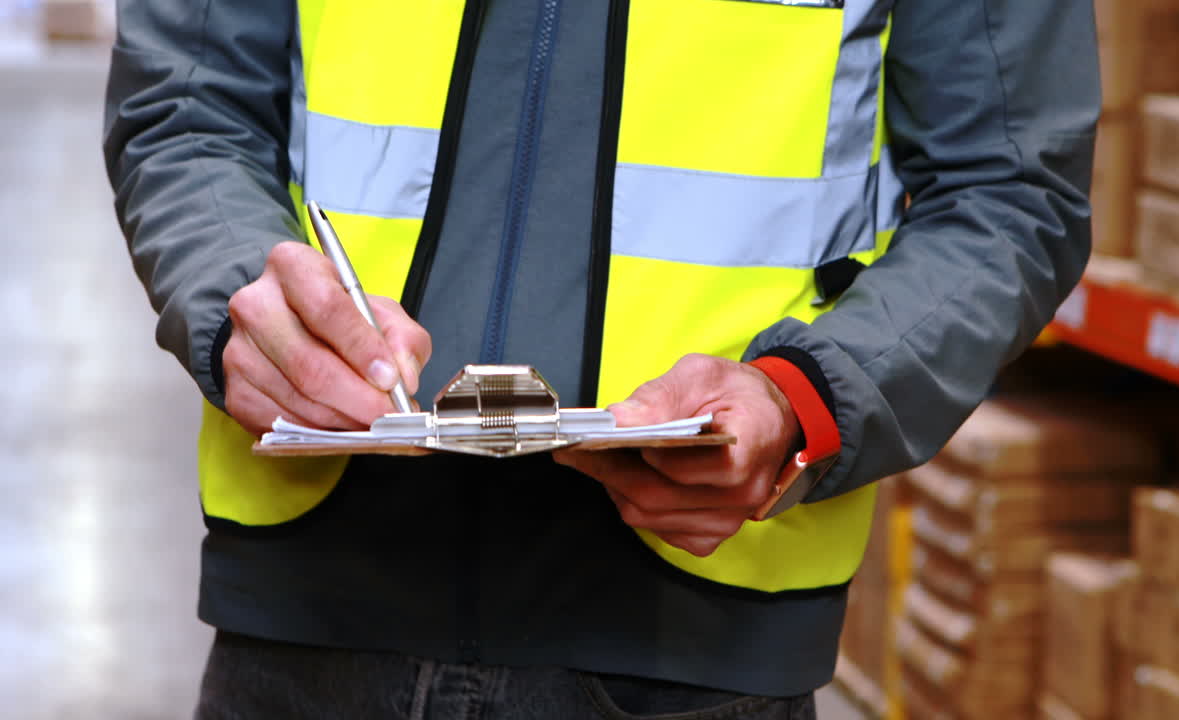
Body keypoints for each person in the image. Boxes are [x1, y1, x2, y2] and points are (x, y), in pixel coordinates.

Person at [103, 0, 1098, 717]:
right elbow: (185, 110)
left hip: (692, 648)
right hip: (302, 629)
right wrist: (247, 297)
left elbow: (1008, 193)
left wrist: (805, 397)